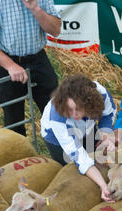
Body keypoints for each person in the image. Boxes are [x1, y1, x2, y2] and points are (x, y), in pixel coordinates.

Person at [0, 0, 61, 136]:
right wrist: (10, 66)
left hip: (38, 59)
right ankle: (20, 153)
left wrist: (36, 9)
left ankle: (63, 151)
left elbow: (56, 30)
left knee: (57, 111)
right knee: (13, 120)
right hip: (8, 62)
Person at [40, 74, 117, 202]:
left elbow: (108, 113)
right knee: (74, 169)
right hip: (56, 138)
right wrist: (103, 185)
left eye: (79, 109)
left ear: (90, 104)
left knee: (98, 157)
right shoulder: (57, 117)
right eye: (70, 109)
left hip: (88, 127)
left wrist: (105, 135)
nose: (74, 114)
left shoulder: (101, 94)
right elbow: (80, 158)